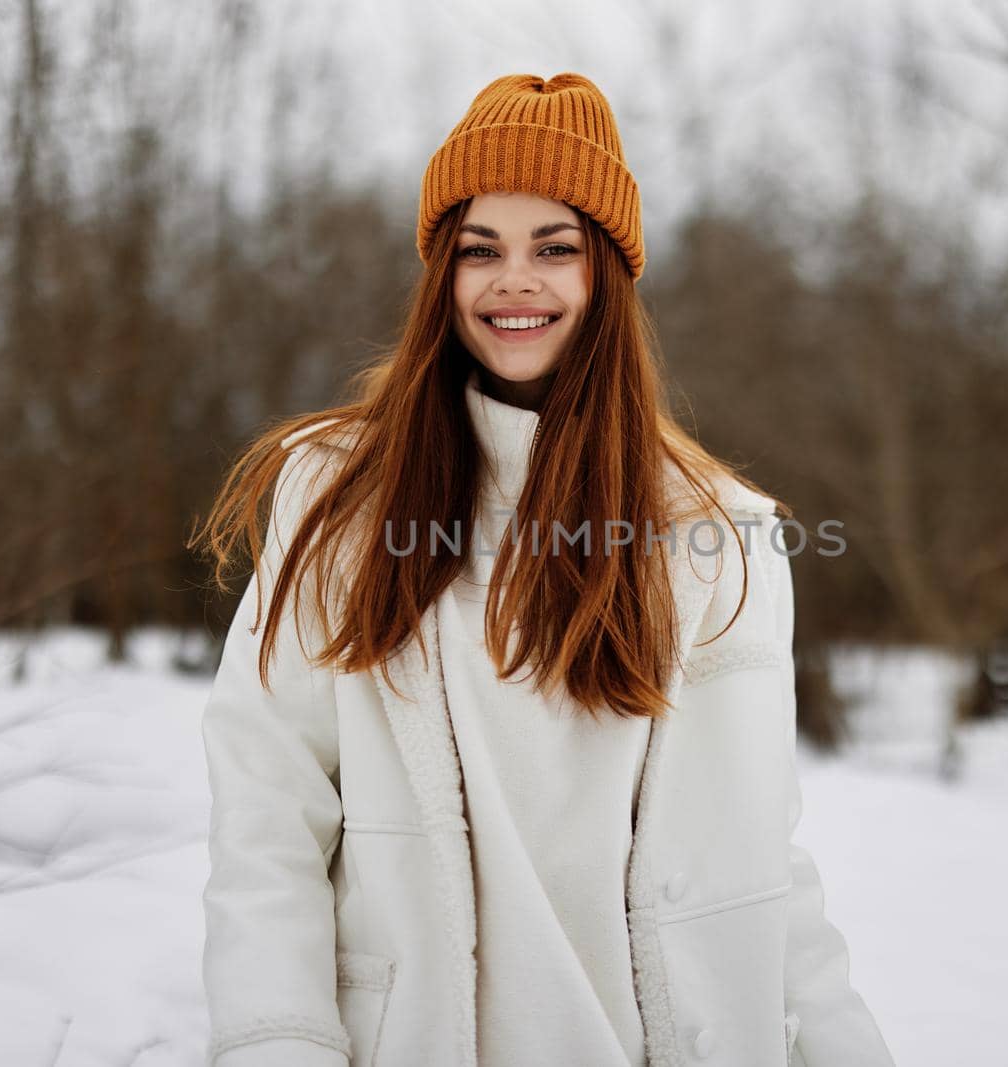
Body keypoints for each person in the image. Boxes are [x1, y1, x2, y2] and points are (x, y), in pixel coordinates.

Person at [189, 71, 897, 1067]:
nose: (513, 280)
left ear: (606, 273)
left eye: (554, 249)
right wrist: (277, 1042)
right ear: (442, 276)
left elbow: (757, 858)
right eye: (480, 250)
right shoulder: (340, 495)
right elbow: (269, 811)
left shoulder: (719, 537)